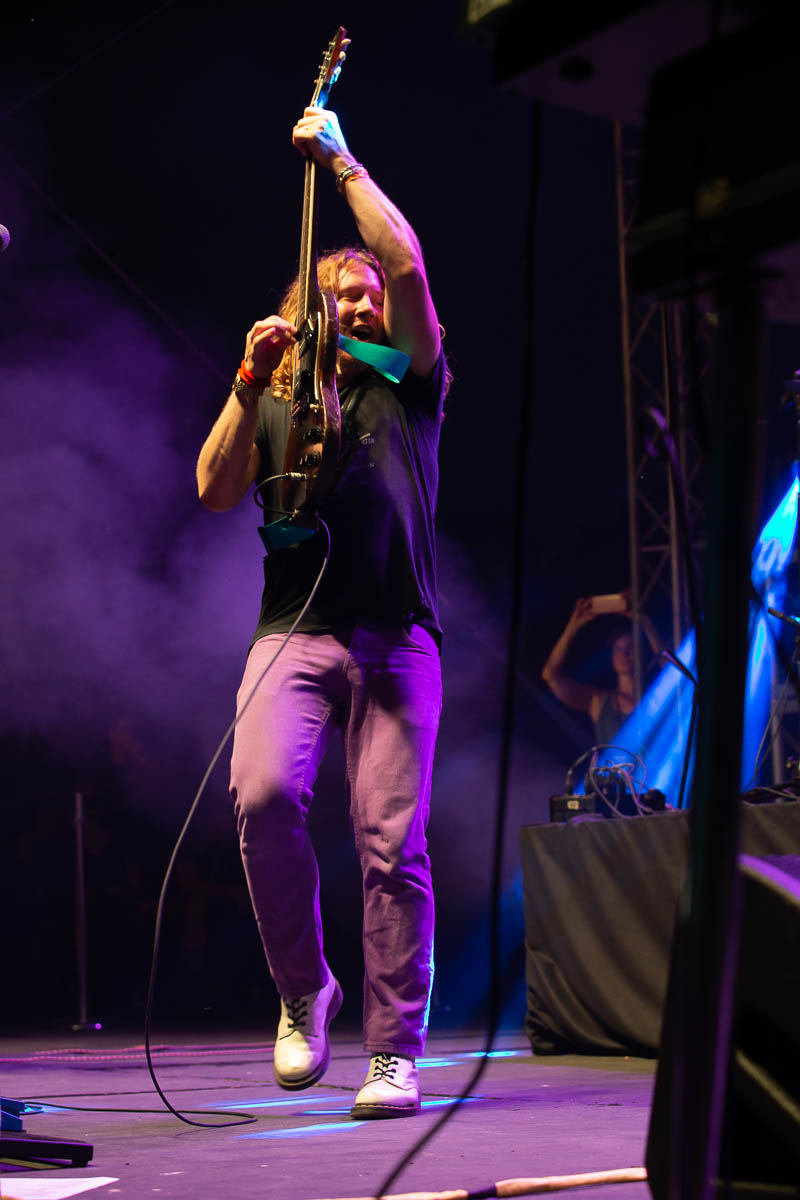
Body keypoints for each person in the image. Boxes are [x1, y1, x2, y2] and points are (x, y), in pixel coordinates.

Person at [196, 104, 447, 1120]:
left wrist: (341, 162)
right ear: (306, 307)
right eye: (336, 291)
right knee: (259, 798)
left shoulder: (410, 381)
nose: (356, 299)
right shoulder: (282, 391)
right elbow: (214, 487)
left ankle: (393, 1049)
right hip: (291, 633)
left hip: (395, 632)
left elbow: (413, 268)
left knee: (390, 841)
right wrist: (246, 377)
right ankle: (305, 990)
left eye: (365, 292)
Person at [541, 593, 663, 745]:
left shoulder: (656, 696)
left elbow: (676, 672)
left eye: (630, 648)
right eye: (618, 649)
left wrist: (644, 621)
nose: (624, 654)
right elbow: (550, 675)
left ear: (641, 654)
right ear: (612, 657)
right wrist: (573, 626)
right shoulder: (599, 701)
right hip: (613, 769)